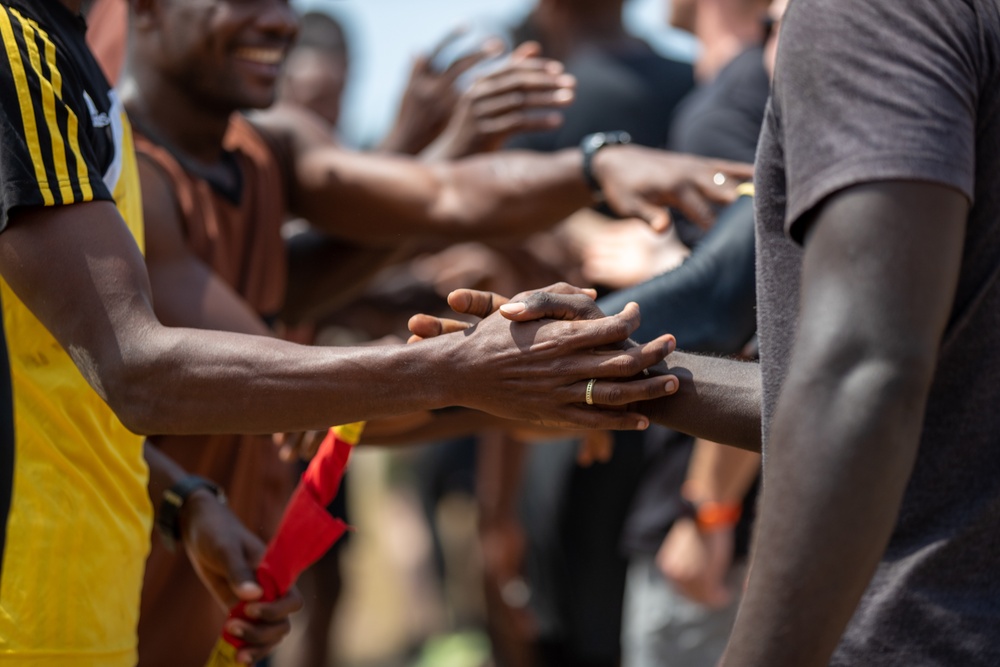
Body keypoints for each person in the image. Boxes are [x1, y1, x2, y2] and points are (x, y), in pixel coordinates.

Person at [0, 1, 751, 665]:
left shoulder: (243, 144)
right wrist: (484, 375)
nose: (279, 20)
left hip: (159, 563)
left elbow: (433, 198)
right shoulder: (86, 118)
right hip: (64, 600)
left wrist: (594, 165)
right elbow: (168, 373)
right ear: (150, 12)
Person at [420, 0, 1000, 663]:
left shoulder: (866, 17)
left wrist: (708, 509)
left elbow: (857, 374)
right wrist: (602, 365)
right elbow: (859, 382)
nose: (770, 51)